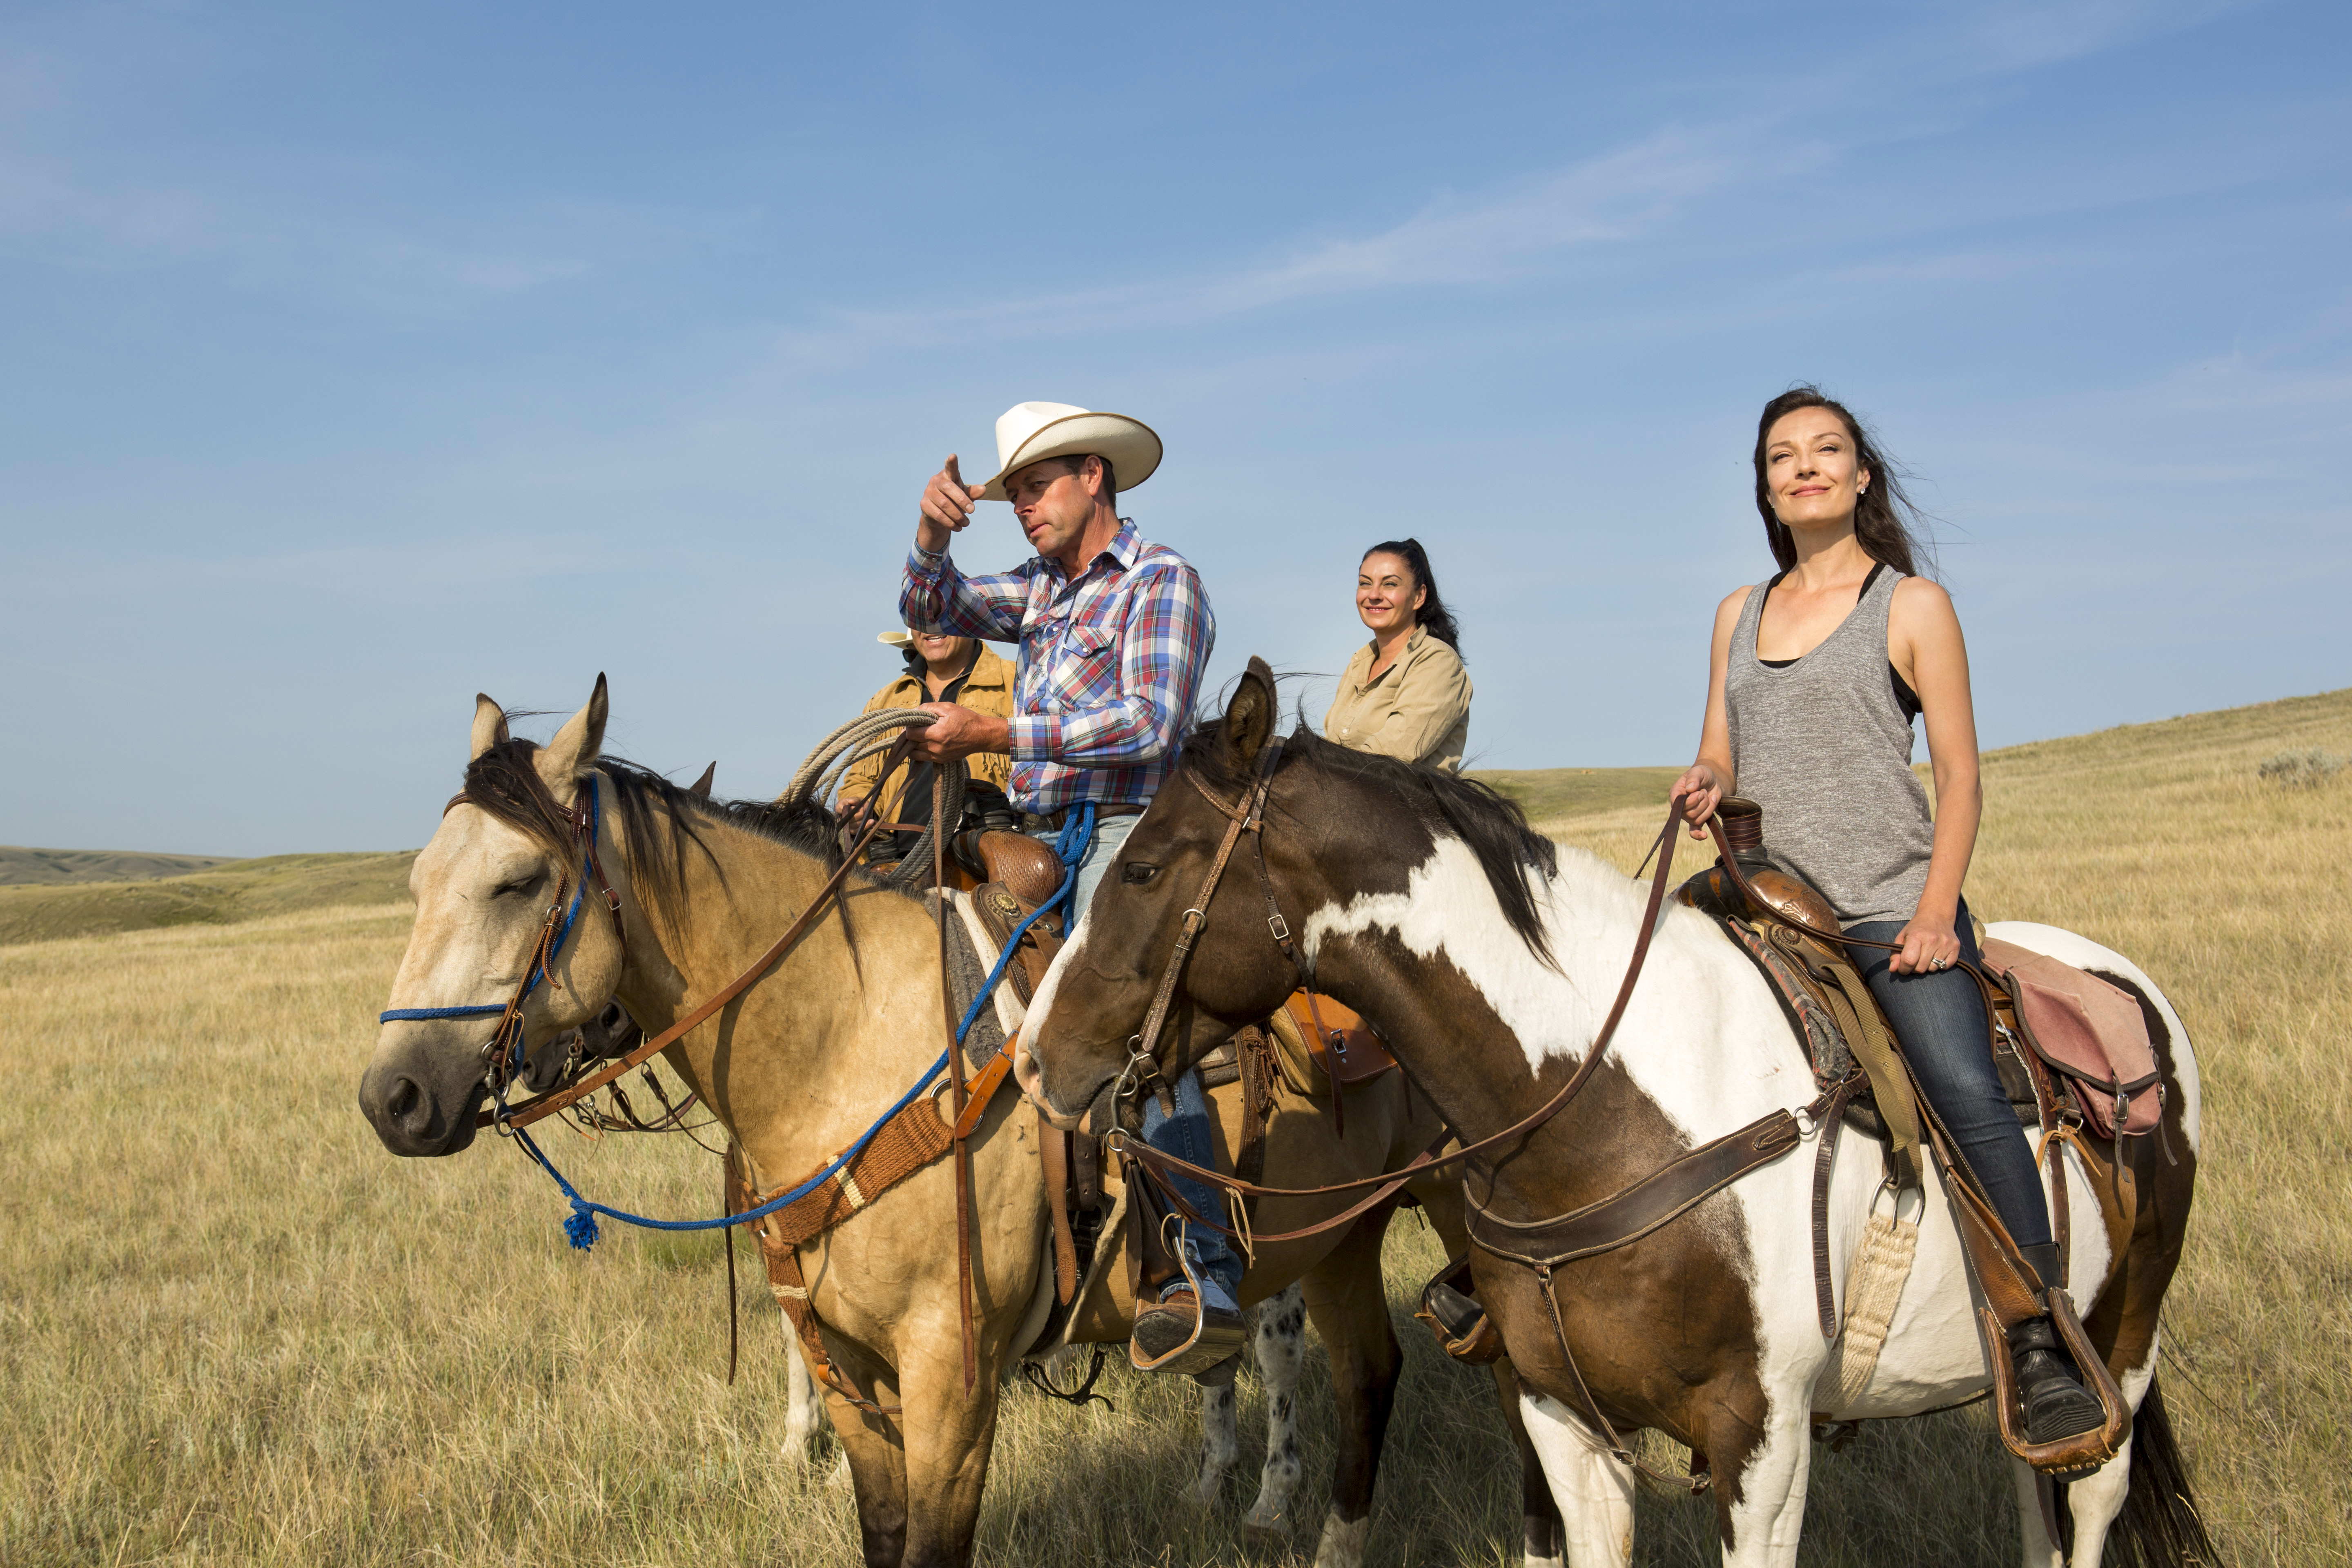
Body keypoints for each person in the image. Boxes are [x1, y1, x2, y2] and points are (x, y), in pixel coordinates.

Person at [1670, 386, 2105, 1448]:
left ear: (1861, 477)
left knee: (1963, 1090)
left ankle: (2039, 1336)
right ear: (1766, 486)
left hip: (1879, 911)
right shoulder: (1739, 610)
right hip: (1757, 901)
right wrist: (1704, 780)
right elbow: (1723, 747)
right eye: (1784, 456)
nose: (1805, 467)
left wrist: (1936, 916)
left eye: (1828, 451)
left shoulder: (1910, 607)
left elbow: (1959, 778)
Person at [898, 400, 1241, 1380]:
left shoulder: (1161, 581)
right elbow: (931, 611)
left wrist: (994, 735)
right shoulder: (1039, 591)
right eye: (1008, 492)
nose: (1021, 507)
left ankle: (1196, 1266)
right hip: (1032, 836)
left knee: (1136, 1010)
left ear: (1094, 475)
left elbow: (1145, 720)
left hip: (1133, 836)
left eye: (1034, 486)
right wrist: (929, 535)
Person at [839, 628, 1015, 864]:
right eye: (919, 617)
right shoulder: (884, 700)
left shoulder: (1016, 685)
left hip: (984, 857)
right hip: (895, 859)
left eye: (941, 615)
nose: (930, 627)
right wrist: (859, 807)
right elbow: (863, 778)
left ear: (968, 617)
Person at [1323, 538, 1472, 770]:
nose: (1374, 595)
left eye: (1390, 584)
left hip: (1407, 804)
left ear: (1419, 597)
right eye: (1365, 583)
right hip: (1346, 801)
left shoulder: (1438, 661)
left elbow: (1391, 754)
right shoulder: (1358, 664)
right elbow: (1330, 746)